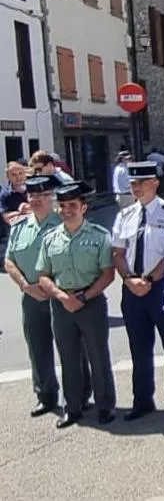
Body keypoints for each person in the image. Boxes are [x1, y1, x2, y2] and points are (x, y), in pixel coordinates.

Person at [36, 181, 116, 428]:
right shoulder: (50, 239)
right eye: (62, 206)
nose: (67, 210)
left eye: (72, 205)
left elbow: (107, 273)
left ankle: (105, 406)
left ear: (83, 207)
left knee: (98, 356)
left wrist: (84, 296)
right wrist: (62, 297)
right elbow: (43, 275)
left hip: (89, 303)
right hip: (61, 305)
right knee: (68, 358)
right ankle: (73, 406)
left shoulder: (99, 236)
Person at [5, 174, 85, 418]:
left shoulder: (65, 223)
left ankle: (80, 396)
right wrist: (25, 286)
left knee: (70, 349)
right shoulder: (20, 227)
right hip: (31, 296)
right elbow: (9, 261)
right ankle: (46, 395)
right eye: (32, 195)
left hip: (59, 295)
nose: (37, 200)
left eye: (42, 195)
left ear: (52, 197)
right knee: (37, 348)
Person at [111, 162, 164, 420]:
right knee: (139, 349)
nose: (136, 188)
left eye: (140, 183)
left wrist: (150, 279)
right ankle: (142, 400)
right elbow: (118, 253)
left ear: (154, 183)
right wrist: (130, 279)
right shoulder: (125, 215)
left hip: (160, 288)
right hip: (132, 289)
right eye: (132, 184)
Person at [1, 161, 30, 225]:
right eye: (14, 175)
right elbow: (6, 217)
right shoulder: (5, 195)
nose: (18, 177)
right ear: (8, 177)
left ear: (25, 173)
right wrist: (21, 211)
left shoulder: (34, 189)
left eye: (20, 173)